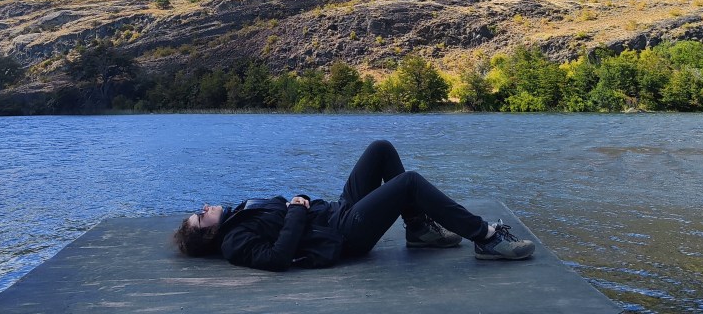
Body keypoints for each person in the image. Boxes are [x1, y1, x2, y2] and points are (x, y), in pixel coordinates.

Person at [173, 139, 534, 271]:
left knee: (380, 148)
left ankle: (419, 231)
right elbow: (277, 258)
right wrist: (298, 210)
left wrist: (299, 206)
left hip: (336, 212)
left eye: (201, 209)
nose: (205, 208)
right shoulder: (234, 242)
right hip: (344, 235)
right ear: (210, 235)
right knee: (408, 182)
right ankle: (485, 237)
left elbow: (284, 215)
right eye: (201, 216)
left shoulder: (237, 213)